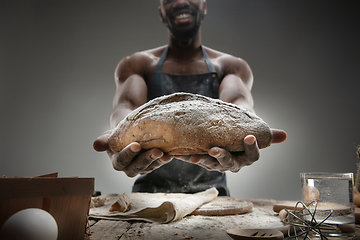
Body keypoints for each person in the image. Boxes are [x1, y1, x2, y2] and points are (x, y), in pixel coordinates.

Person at [93, 0, 287, 196]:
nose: (181, 2)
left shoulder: (230, 66)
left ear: (204, 7)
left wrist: (248, 137)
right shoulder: (137, 64)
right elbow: (127, 108)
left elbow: (237, 107)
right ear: (161, 13)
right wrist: (117, 136)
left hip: (213, 198)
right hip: (148, 199)